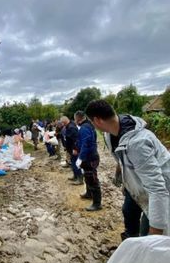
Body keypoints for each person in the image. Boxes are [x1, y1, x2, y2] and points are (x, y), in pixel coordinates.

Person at [85, 99, 169, 235]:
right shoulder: (110, 133)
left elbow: (157, 188)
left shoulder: (138, 144)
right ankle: (131, 239)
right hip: (137, 183)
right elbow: (121, 159)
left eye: (91, 122)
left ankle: (144, 245)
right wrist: (125, 181)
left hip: (160, 190)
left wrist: (155, 232)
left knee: (148, 230)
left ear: (97, 120)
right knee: (128, 211)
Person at [73, 110, 102, 211]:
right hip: (89, 156)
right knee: (88, 176)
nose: (74, 121)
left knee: (92, 179)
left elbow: (86, 143)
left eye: (75, 119)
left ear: (78, 119)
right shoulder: (88, 126)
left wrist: (81, 157)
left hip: (90, 157)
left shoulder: (84, 128)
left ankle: (97, 203)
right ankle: (89, 194)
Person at [61, 115, 82, 182]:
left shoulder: (71, 128)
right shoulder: (69, 126)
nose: (61, 124)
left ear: (64, 122)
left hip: (74, 150)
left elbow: (76, 139)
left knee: (76, 164)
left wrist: (75, 149)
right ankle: (75, 176)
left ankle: (80, 179)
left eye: (62, 123)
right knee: (73, 164)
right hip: (71, 149)